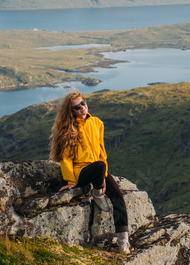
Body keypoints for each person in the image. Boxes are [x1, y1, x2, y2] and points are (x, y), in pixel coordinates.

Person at [49, 90, 130, 254]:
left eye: (83, 103)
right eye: (76, 107)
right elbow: (65, 158)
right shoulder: (68, 128)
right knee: (99, 165)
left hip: (98, 169)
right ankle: (97, 193)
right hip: (81, 173)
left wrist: (104, 175)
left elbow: (102, 151)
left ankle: (124, 241)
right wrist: (70, 181)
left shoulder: (97, 123)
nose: (82, 108)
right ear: (71, 111)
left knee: (118, 196)